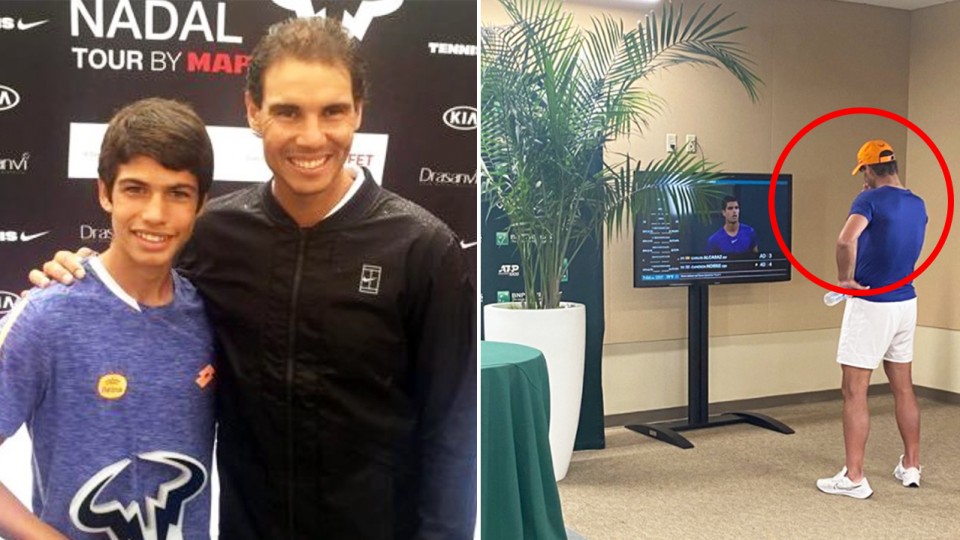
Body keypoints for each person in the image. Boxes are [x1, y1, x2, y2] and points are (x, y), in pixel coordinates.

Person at [31, 17, 477, 539]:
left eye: (332, 111)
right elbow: (132, 278)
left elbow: (453, 432)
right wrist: (76, 272)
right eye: (288, 111)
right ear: (253, 111)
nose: (312, 136)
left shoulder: (423, 248)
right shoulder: (212, 233)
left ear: (358, 112)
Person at [0, 98, 216, 539]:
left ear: (201, 204)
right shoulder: (47, 315)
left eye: (178, 193)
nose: (155, 214)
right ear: (104, 192)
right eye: (136, 189)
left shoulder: (211, 314)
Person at [816, 139, 927, 499]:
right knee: (903, 386)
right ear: (893, 167)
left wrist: (846, 281)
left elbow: (846, 241)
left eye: (862, 171)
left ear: (868, 170)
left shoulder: (868, 200)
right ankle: (911, 465)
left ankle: (853, 477)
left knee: (854, 390)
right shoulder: (916, 203)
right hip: (905, 303)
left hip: (872, 304)